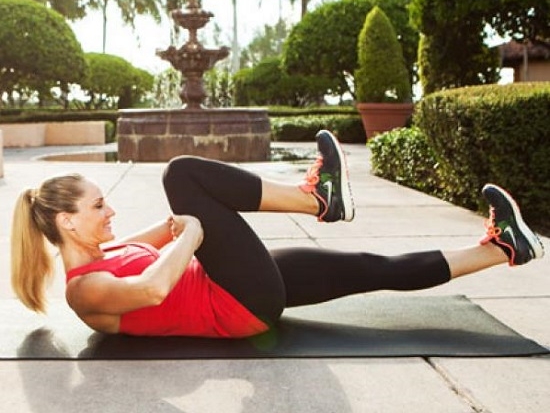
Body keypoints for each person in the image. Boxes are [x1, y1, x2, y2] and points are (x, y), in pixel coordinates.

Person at [11, 130, 545, 338]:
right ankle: (317, 199)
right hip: (239, 304)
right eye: (99, 205)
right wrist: (191, 235)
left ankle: (501, 248)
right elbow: (152, 288)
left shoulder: (106, 250)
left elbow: (168, 232)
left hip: (239, 284)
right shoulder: (83, 290)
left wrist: (184, 227)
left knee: (368, 267)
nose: (111, 211)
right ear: (66, 221)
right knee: (181, 173)